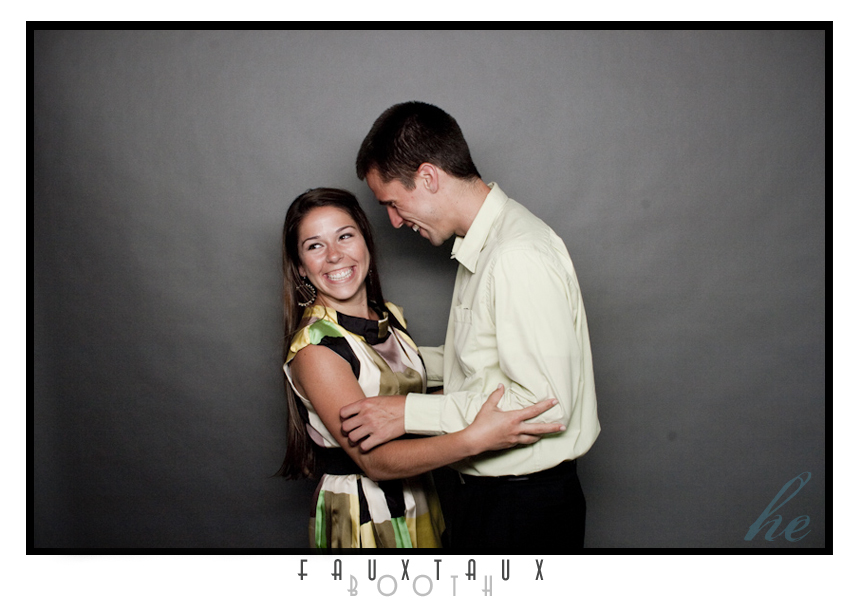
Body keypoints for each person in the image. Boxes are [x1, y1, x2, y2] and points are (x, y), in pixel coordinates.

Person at [341, 101, 601, 549]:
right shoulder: (482, 244)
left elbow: (543, 406)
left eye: (393, 204)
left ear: (428, 177)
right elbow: (478, 361)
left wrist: (407, 414)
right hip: (488, 500)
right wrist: (386, 359)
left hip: (523, 510)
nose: (394, 222)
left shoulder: (516, 255)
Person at [276, 187, 563, 549]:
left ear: (366, 242)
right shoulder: (316, 349)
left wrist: (496, 391)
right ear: (301, 267)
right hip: (364, 516)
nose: (334, 255)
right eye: (315, 246)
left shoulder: (389, 318)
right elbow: (376, 462)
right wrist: (475, 438)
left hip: (420, 499)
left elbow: (410, 399)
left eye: (345, 236)